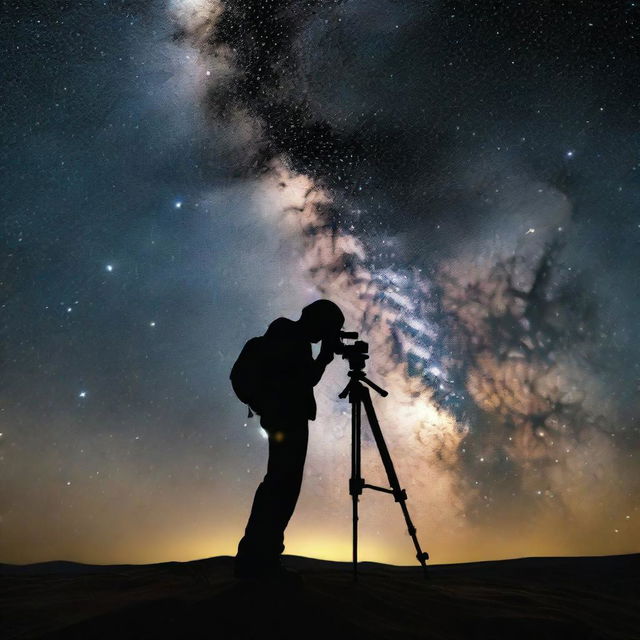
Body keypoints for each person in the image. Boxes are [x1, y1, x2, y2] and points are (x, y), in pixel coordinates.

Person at [234, 299, 345, 583]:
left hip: (284, 418)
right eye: (328, 328)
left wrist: (322, 355)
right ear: (316, 320)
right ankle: (260, 559)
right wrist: (324, 357)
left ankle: (261, 556)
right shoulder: (288, 335)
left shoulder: (287, 335)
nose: (325, 335)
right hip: (286, 419)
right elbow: (304, 380)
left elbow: (302, 380)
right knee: (281, 486)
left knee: (281, 485)